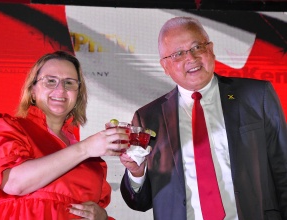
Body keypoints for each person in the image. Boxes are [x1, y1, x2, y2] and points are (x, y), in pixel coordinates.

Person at [119, 16, 287, 220]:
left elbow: (283, 169)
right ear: (165, 66)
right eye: (178, 54)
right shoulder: (148, 118)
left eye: (197, 47)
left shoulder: (256, 96)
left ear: (211, 49)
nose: (191, 58)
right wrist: (137, 173)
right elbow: (140, 202)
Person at [0, 51, 129, 220]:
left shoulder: (92, 163)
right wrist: (85, 148)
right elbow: (14, 184)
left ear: (78, 94)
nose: (60, 89)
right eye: (50, 81)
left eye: (69, 83)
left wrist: (101, 217)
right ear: (32, 90)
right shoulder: (6, 128)